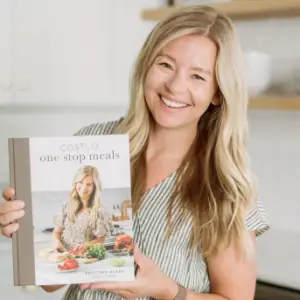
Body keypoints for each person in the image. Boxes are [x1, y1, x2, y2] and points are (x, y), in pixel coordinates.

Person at [0, 4, 269, 300]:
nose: (175, 86)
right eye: (165, 65)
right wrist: (28, 229)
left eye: (198, 77)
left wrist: (168, 291)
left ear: (218, 92)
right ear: (146, 66)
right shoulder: (92, 142)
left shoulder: (223, 185)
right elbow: (52, 281)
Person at [52, 165, 114, 253]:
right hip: (65, 258)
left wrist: (86, 245)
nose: (83, 188)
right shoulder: (66, 207)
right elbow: (57, 232)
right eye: (80, 182)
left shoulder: (100, 212)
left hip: (87, 258)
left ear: (94, 187)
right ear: (75, 183)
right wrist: (57, 243)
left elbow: (102, 240)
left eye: (88, 184)